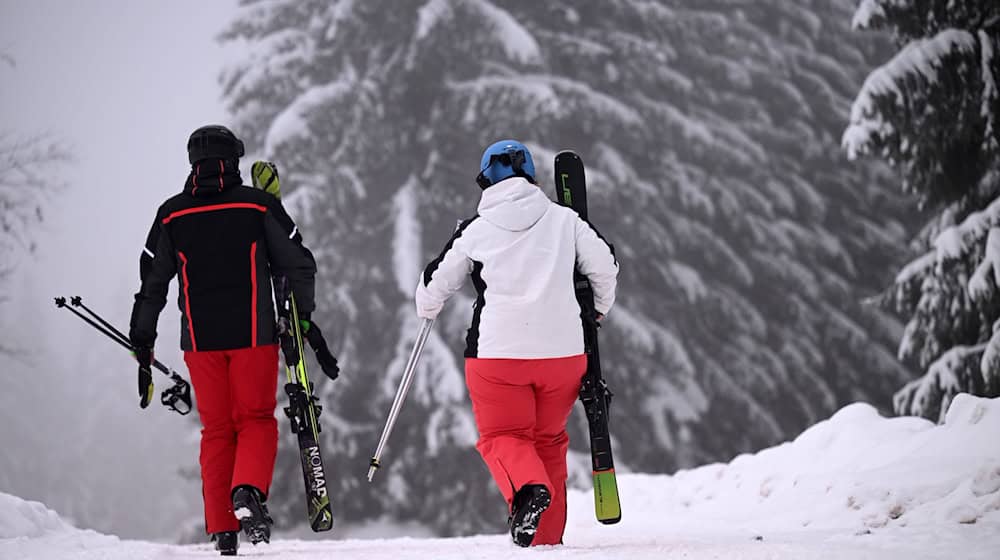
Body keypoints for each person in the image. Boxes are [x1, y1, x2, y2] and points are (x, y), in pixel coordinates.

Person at [415, 139, 619, 547]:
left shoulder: (476, 229)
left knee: (502, 437)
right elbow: (606, 268)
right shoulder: (566, 220)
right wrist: (596, 311)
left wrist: (429, 303)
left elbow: (431, 292)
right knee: (548, 441)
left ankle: (527, 489)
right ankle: (544, 543)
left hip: (498, 357)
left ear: (485, 180)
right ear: (531, 175)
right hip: (563, 355)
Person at [129, 125, 317, 556]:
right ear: (233, 159)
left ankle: (223, 530)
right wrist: (302, 318)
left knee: (216, 431)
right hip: (254, 336)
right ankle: (247, 492)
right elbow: (299, 263)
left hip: (200, 342)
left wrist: (143, 340)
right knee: (254, 420)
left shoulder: (171, 214)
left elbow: (151, 283)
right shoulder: (257, 205)